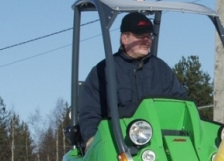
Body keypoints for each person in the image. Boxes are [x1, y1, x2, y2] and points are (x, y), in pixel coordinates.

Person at [79, 12, 187, 149]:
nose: (147, 41)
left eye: (149, 37)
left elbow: (180, 103)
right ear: (125, 39)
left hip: (158, 144)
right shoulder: (104, 71)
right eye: (141, 37)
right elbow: (90, 112)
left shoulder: (160, 69)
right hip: (117, 144)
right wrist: (93, 141)